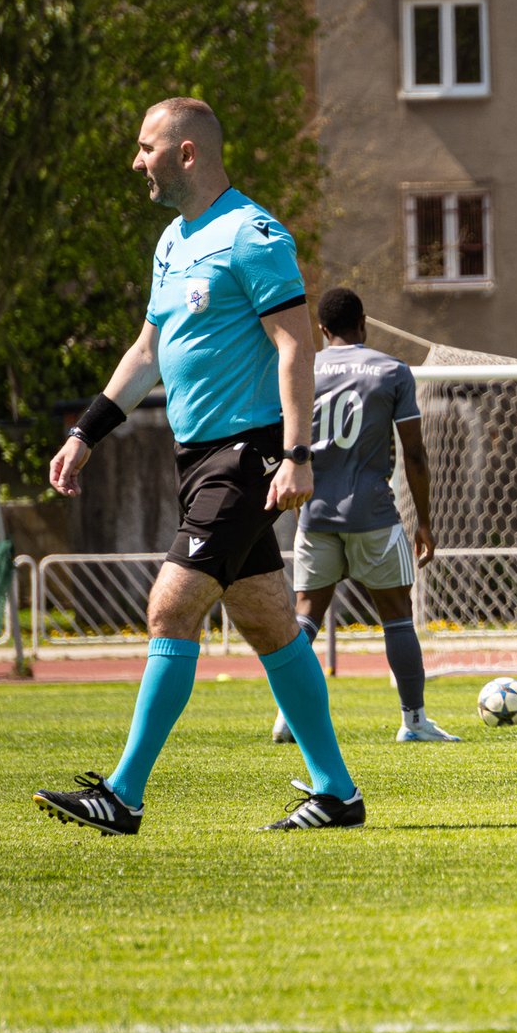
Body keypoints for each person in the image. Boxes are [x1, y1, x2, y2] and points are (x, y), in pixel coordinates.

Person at [33, 97, 362, 834]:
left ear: (186, 152)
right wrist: (86, 433)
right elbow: (147, 351)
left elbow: (295, 347)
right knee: (269, 623)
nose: (136, 162)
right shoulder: (172, 241)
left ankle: (122, 794)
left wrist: (298, 454)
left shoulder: (252, 234)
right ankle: (337, 793)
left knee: (171, 608)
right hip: (197, 458)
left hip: (246, 455)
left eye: (145, 147)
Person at [268, 286, 454, 744]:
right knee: (397, 615)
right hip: (372, 513)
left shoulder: (303, 369)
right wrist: (424, 522)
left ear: (322, 329)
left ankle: (286, 716)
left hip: (314, 512)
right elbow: (414, 454)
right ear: (363, 322)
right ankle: (414, 722)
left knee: (306, 617)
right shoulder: (392, 371)